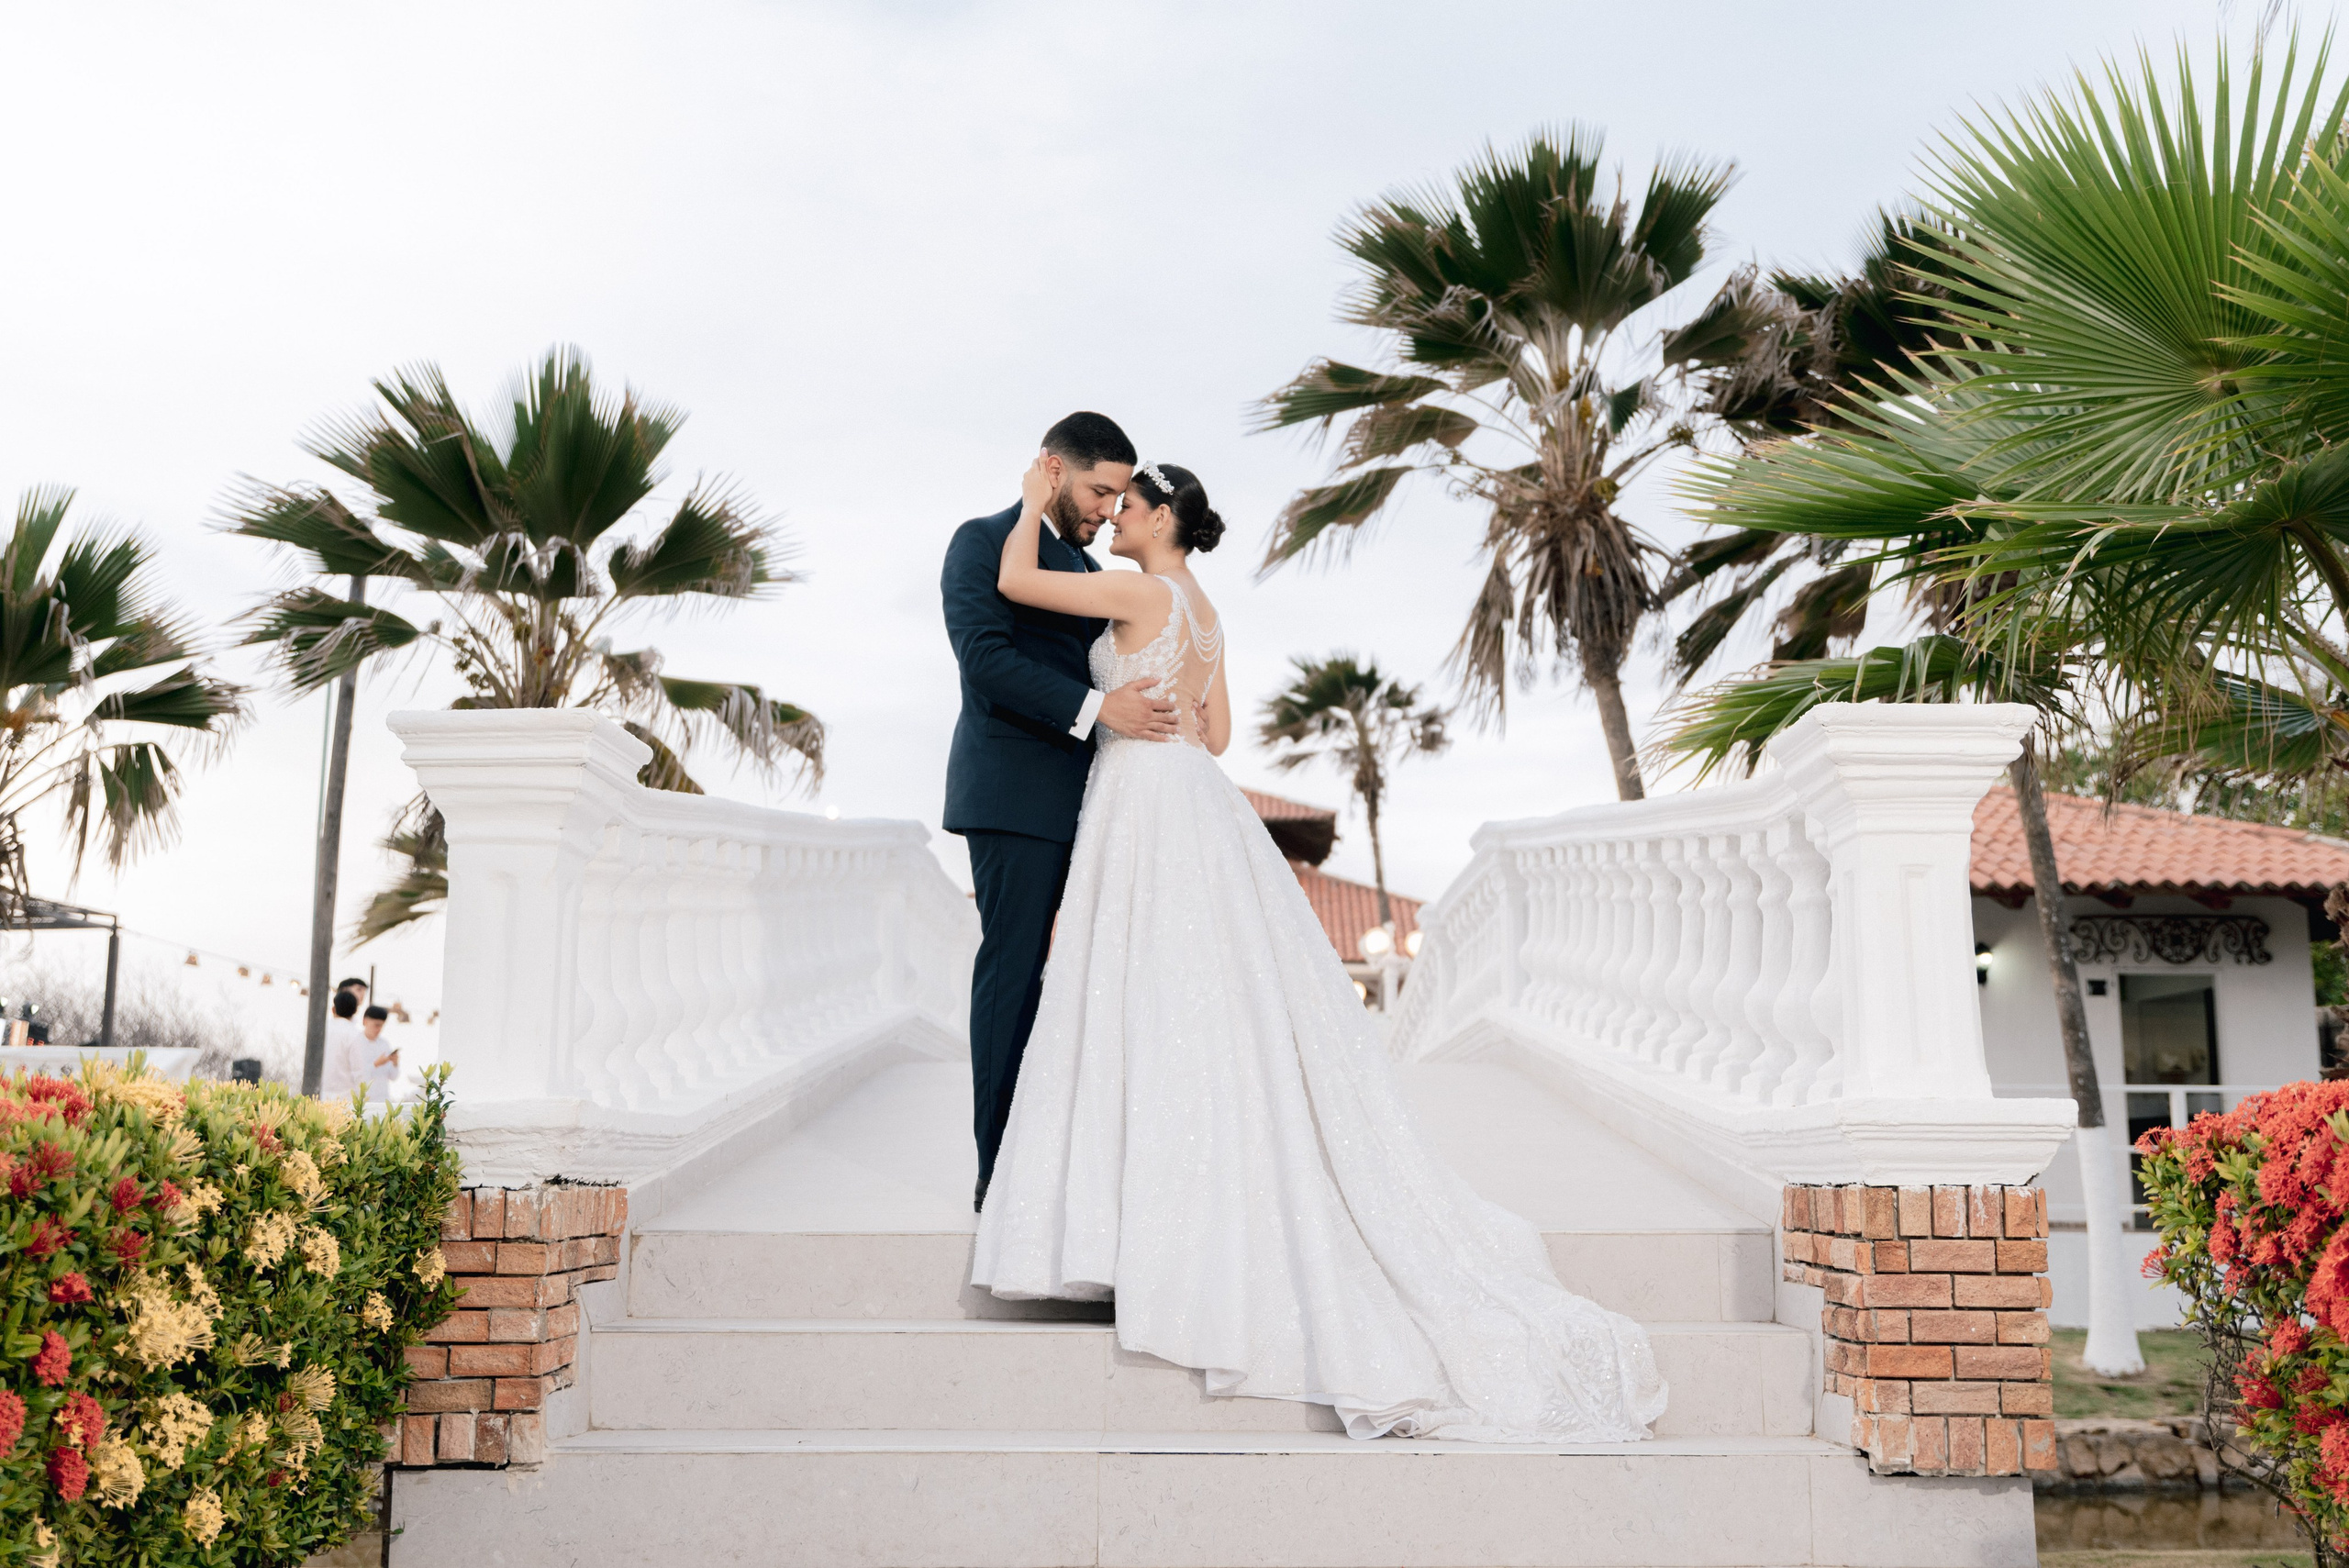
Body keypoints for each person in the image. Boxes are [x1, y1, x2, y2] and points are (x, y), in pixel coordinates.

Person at [968, 453, 1666, 1444]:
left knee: (1136, 994)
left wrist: (1038, 503)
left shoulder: (1136, 588)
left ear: (1164, 517)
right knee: (1187, 997)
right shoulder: (1204, 611)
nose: (1114, 516)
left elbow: (1013, 582)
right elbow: (1211, 736)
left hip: (1138, 795)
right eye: (1108, 503)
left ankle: (1135, 1227)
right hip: (1193, 800)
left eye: (1128, 505)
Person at [941, 412, 1177, 1212]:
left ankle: (1073, 1175)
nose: (1111, 509)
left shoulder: (1083, 565)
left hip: (1101, 804)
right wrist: (1098, 706)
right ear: (1051, 468)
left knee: (1087, 984)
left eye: (1120, 497)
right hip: (1014, 797)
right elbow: (987, 660)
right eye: (1099, 489)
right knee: (1015, 973)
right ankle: (999, 1177)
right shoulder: (978, 541)